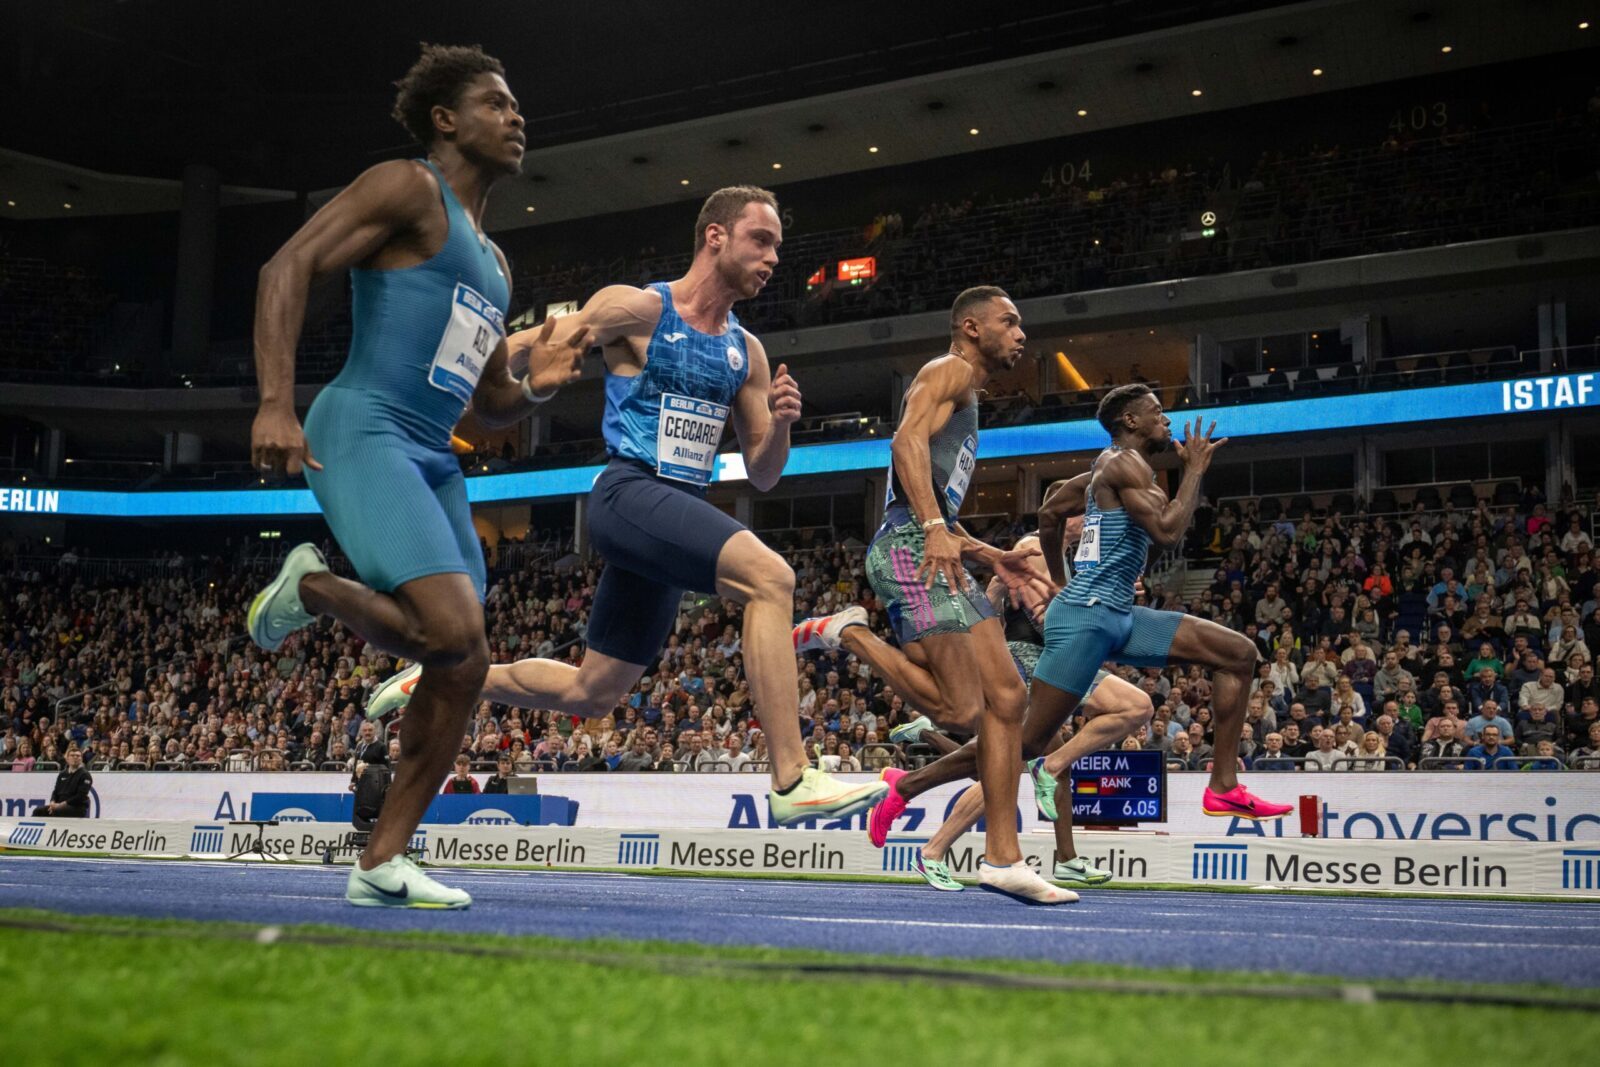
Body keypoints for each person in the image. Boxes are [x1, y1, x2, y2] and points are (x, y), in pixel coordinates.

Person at [368, 185, 885, 825]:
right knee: (771, 579)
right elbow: (534, 342)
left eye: (778, 245)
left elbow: (764, 473)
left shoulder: (746, 352)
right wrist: (447, 380)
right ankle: (790, 778)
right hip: (627, 494)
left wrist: (780, 424)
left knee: (593, 691)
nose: (774, 256)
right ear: (715, 237)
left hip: (668, 522)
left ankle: (443, 673)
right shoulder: (639, 309)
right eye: (762, 239)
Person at [245, 46, 586, 911]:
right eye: (497, 104)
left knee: (463, 660)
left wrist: (538, 382)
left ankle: (382, 862)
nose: (518, 119)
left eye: (518, 107)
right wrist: (276, 404)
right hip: (363, 426)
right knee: (449, 629)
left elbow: (489, 403)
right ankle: (313, 584)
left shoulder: (498, 264)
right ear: (446, 119)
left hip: (434, 453)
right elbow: (282, 268)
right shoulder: (406, 187)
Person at [856, 387, 1291, 903]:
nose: (1166, 419)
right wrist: (1195, 469)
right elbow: (1171, 531)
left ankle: (1222, 788)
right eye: (1157, 411)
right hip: (1087, 621)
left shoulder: (1101, 471)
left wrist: (1063, 583)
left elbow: (1049, 512)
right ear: (1131, 420)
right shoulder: (1125, 466)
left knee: (1239, 654)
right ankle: (905, 788)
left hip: (1115, 615)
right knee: (1024, 746)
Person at [790, 286, 1061, 902]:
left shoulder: (967, 395)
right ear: (970, 326)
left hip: (932, 545)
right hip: (910, 549)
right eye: (1009, 321)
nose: (1021, 334)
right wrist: (937, 530)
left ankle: (1001, 858)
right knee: (965, 712)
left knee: (1007, 700)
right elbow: (903, 443)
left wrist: (991, 554)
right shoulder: (949, 371)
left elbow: (932, 494)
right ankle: (849, 632)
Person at [876, 531, 1153, 894]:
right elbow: (1049, 620)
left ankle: (1064, 858)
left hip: (1042, 659)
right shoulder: (1033, 547)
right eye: (1089, 510)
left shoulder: (1067, 557)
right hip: (1034, 660)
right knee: (1126, 709)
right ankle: (927, 829)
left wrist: (1110, 596)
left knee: (1031, 761)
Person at [31, 745, 91, 818]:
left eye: (78, 756)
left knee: (58, 811)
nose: (75, 757)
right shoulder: (62, 774)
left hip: (76, 807)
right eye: (72, 755)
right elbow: (55, 791)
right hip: (59, 805)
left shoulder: (85, 775)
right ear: (67, 758)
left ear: (81, 759)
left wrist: (61, 805)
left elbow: (80, 796)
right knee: (38, 811)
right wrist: (52, 802)